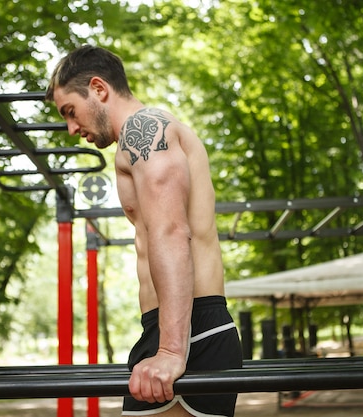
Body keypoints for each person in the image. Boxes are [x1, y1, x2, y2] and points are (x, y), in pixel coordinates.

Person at [45, 45, 242, 417]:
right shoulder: (142, 138)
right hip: (179, 328)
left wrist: (170, 350)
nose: (72, 128)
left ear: (99, 89)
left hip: (188, 332)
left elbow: (170, 230)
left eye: (70, 111)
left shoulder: (143, 129)